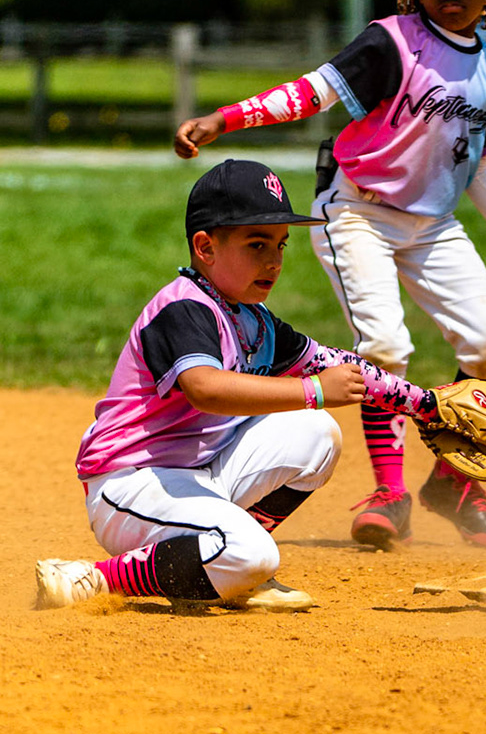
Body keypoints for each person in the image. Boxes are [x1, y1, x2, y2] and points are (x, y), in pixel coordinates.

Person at [172, 0, 486, 551]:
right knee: (383, 345)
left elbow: (478, 170)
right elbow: (311, 93)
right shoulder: (391, 43)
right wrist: (224, 119)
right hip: (357, 211)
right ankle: (389, 491)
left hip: (433, 223)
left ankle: (453, 480)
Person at [36, 160, 448, 611]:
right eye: (257, 244)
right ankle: (95, 579)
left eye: (280, 245)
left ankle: (226, 571)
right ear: (205, 247)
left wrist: (430, 407)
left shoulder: (254, 320)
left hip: (201, 474)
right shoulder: (184, 307)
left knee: (319, 433)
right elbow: (206, 389)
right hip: (132, 484)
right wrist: (313, 391)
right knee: (253, 553)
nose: (274, 261)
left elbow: (343, 367)